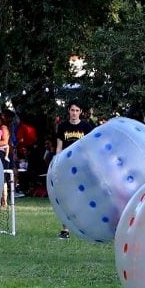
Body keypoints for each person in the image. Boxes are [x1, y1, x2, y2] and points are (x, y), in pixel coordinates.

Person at [55, 101, 95, 239]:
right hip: (66, 166)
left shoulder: (86, 126)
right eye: (72, 110)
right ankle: (65, 229)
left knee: (84, 196)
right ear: (68, 111)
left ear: (81, 112)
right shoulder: (62, 126)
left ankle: (85, 226)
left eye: (77, 110)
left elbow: (91, 147)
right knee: (66, 197)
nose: (74, 113)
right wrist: (56, 162)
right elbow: (59, 147)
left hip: (82, 166)